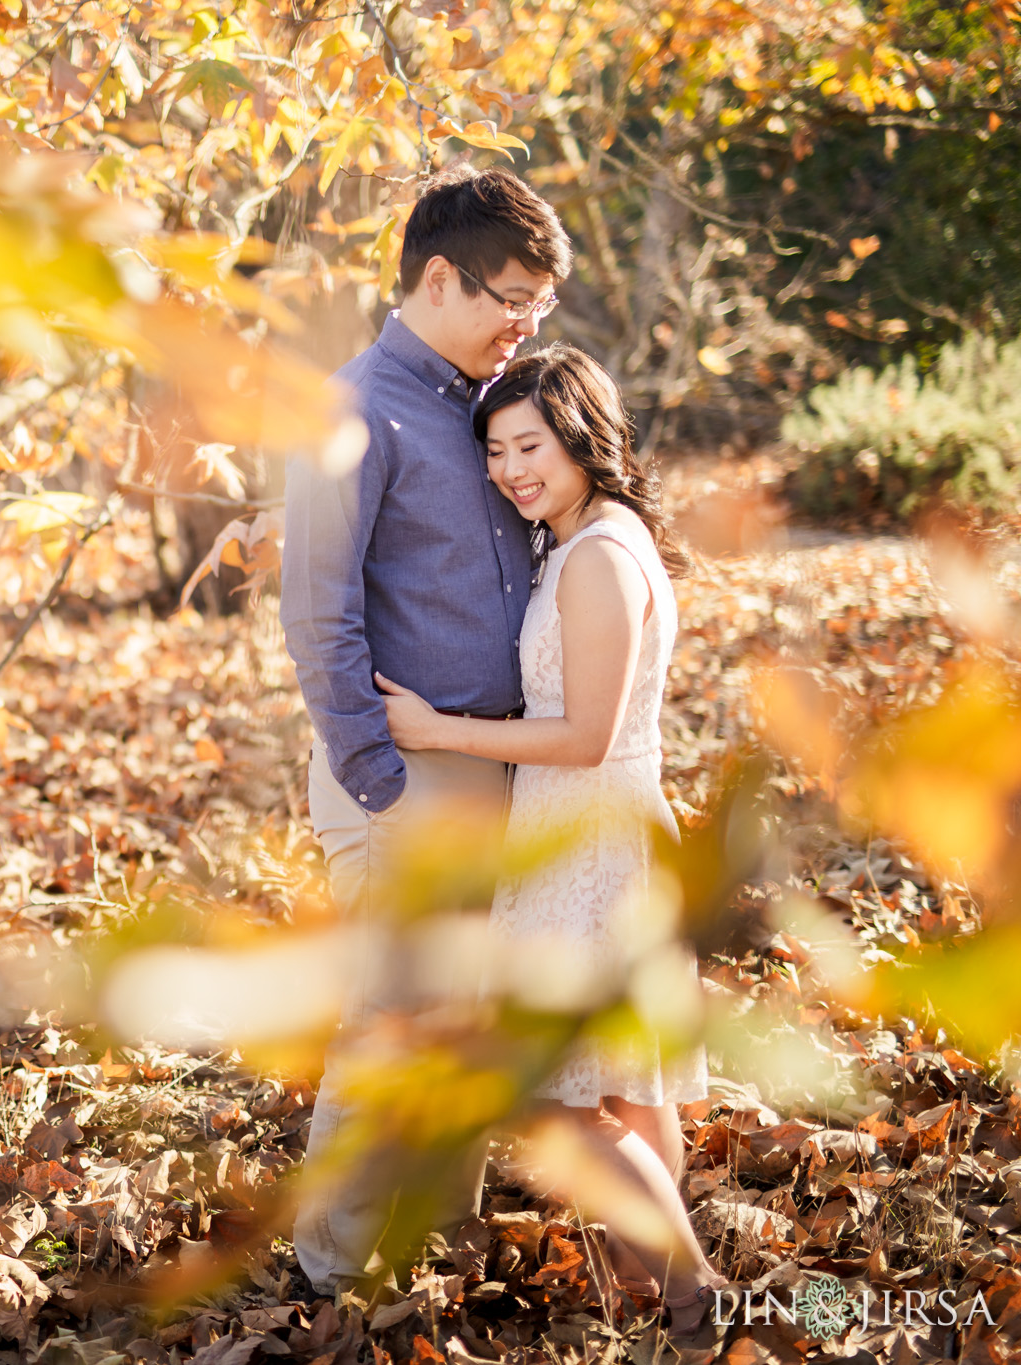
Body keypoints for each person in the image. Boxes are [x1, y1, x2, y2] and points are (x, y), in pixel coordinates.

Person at [375, 343, 727, 1331]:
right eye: (493, 452)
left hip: (590, 842)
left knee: (567, 1102)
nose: (508, 470)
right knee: (629, 1085)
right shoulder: (582, 542)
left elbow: (586, 736)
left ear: (579, 434)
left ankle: (697, 1294)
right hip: (583, 832)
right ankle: (661, 1300)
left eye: (526, 444)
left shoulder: (600, 556)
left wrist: (434, 729)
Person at [279, 163, 572, 1295]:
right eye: (509, 298)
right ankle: (329, 1272)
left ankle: (429, 1239)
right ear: (438, 277)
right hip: (404, 774)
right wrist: (377, 776)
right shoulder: (350, 410)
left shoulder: (485, 406)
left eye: (538, 306)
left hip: (493, 759)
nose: (523, 324)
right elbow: (318, 610)